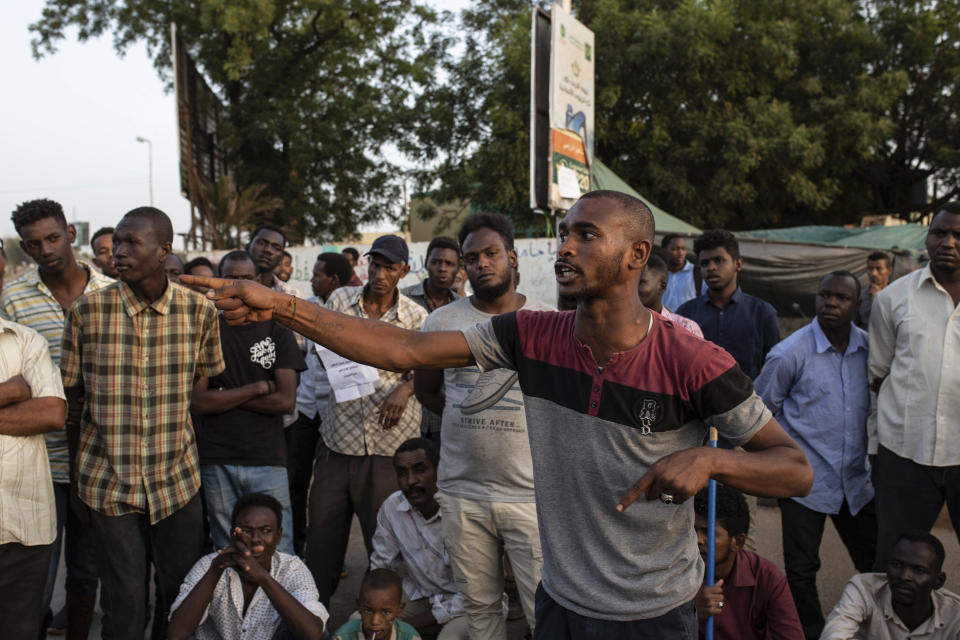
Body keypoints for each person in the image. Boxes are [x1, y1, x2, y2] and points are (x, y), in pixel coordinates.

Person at [182, 189, 814, 637]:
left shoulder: (690, 357)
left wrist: (707, 457)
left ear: (636, 256)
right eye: (564, 232)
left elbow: (793, 469)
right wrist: (277, 305)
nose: (566, 246)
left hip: (653, 611)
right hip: (562, 600)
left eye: (586, 235)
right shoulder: (533, 334)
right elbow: (405, 347)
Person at [60, 207, 225, 638]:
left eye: (132, 243)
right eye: (118, 242)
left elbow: (202, 382)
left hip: (177, 481)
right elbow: (73, 402)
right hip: (107, 481)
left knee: (177, 594)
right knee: (125, 602)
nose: (119, 251)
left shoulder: (198, 312)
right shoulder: (87, 313)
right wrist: (79, 479)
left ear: (164, 251)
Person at [414, 213, 547, 637]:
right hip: (463, 492)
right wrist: (467, 410)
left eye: (491, 254)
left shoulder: (547, 322)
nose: (481, 264)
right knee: (480, 611)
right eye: (471, 258)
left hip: (532, 494)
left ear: (511, 257)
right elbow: (428, 392)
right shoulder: (441, 322)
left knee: (543, 609)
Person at [3, 198, 113, 638]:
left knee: (86, 571)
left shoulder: (110, 291)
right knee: (36, 579)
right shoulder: (13, 299)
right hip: (37, 461)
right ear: (25, 249)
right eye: (33, 244)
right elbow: (11, 378)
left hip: (98, 456)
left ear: (70, 233)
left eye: (52, 238)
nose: (45, 249)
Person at [304, 234, 428, 606]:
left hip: (389, 448)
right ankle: (314, 616)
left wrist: (406, 389)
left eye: (390, 268)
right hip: (338, 442)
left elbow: (431, 368)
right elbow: (318, 344)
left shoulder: (416, 317)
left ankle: (381, 619)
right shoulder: (340, 300)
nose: (380, 274)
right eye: (375, 265)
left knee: (384, 542)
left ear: (403, 271)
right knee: (323, 538)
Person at [755, 271, 876, 639]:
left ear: (856, 306)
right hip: (805, 480)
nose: (831, 303)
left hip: (857, 480)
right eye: (825, 295)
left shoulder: (871, 350)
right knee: (802, 569)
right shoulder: (790, 353)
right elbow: (760, 413)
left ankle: (876, 628)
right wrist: (777, 465)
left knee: (875, 563)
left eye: (841, 298)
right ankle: (809, 632)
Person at [190, 250, 306, 554]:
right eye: (230, 278)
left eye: (245, 279)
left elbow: (285, 401)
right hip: (217, 458)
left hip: (266, 457)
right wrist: (255, 388)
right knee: (228, 547)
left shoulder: (278, 330)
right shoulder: (208, 330)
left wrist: (224, 396)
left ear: (258, 282)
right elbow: (199, 403)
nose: (238, 286)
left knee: (279, 549)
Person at [868, 202, 960, 570]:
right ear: (927, 238)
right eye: (939, 233)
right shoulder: (893, 298)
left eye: (958, 235)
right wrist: (874, 447)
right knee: (895, 560)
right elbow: (877, 375)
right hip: (903, 451)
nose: (948, 242)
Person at [168, 492, 327, 640]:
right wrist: (216, 570)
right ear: (233, 535)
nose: (256, 539)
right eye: (246, 530)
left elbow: (313, 633)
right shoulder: (209, 565)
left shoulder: (292, 569)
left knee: (315, 625)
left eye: (266, 531)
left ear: (278, 536)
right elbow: (176, 634)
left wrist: (264, 578)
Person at [0, 316, 68, 640]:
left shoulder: (26, 341)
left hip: (24, 525)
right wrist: (11, 392)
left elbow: (52, 412)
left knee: (19, 632)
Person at [287, 252, 355, 555]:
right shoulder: (307, 308)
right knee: (295, 481)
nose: (312, 280)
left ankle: (328, 554)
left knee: (328, 491)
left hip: (335, 411)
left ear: (334, 281)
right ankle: (296, 546)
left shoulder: (351, 314)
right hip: (304, 408)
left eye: (317, 275)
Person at [370, 438, 469, 639]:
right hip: (422, 596)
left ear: (439, 470)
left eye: (419, 470)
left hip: (471, 606)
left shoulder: (463, 511)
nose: (411, 481)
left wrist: (405, 626)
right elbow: (381, 568)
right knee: (362, 622)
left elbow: (476, 594)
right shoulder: (392, 508)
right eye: (402, 473)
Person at [692, 485, 802, 640]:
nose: (698, 540)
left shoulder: (768, 579)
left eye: (709, 533)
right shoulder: (674, 572)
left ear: (738, 541)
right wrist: (689, 610)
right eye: (693, 530)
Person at [677, 229, 780, 379]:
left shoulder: (762, 313)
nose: (711, 268)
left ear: (738, 264)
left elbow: (773, 369)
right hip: (698, 401)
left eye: (718, 260)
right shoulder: (686, 313)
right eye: (705, 263)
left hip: (749, 400)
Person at [821, 530, 960, 639]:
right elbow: (834, 635)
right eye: (896, 565)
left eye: (919, 570)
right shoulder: (863, 589)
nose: (904, 576)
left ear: (938, 581)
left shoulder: (955, 615)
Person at [403, 236, 461, 445]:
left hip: (443, 416)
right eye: (436, 262)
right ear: (426, 264)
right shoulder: (403, 300)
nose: (442, 269)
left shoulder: (463, 309)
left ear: (458, 268)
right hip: (404, 415)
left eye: (449, 264)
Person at [333, 569, 422, 640]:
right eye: (368, 610)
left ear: (400, 610)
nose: (375, 621)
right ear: (359, 607)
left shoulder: (409, 637)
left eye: (385, 612)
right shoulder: (342, 637)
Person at [638, 253, 703, 337]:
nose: (630, 288)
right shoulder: (618, 325)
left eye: (640, 283)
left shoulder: (686, 329)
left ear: (662, 286)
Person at [249, 224, 300, 298]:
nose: (268, 250)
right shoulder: (230, 285)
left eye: (276, 248)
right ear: (248, 246)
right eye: (261, 243)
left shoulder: (291, 294)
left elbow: (293, 309)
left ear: (281, 258)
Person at [856, 251, 892, 329]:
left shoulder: (897, 295)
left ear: (889, 271)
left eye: (878, 269)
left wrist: (879, 299)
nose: (873, 273)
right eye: (870, 269)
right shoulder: (860, 297)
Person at [661, 233, 698, 311]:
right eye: (675, 249)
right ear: (664, 251)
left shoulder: (697, 273)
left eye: (683, 249)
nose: (680, 253)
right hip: (663, 322)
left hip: (690, 322)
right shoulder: (658, 274)